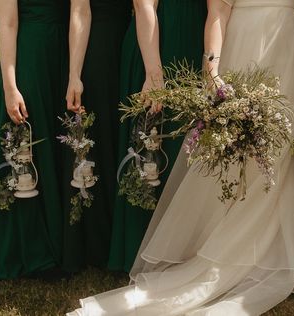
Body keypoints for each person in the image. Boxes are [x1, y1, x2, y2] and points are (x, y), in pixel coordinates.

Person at [68, 0, 294, 314]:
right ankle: (231, 244)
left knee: (282, 147)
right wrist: (212, 68)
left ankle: (276, 243)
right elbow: (217, 10)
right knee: (237, 149)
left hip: (287, 43)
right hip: (241, 40)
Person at [108, 0, 207, 272]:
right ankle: (140, 248)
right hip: (157, 47)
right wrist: (154, 73)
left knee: (186, 151)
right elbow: (143, 5)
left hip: (192, 43)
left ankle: (182, 245)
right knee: (151, 148)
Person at [0, 0, 68, 278]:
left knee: (56, 147)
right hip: (30, 59)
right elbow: (7, 23)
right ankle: (33, 252)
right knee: (29, 153)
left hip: (61, 55)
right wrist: (10, 87)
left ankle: (57, 244)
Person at [62, 0, 131, 272]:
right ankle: (100, 244)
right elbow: (80, 10)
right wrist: (75, 75)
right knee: (99, 144)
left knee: (122, 141)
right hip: (97, 49)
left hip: (127, 44)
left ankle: (122, 239)